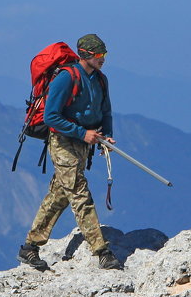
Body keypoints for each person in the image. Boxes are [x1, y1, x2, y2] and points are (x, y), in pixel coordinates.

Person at [18, 33, 123, 271]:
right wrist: (82, 133)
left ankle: (29, 248)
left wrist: (105, 136)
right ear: (86, 55)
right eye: (100, 55)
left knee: (60, 195)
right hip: (63, 141)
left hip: (84, 142)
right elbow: (51, 116)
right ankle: (101, 251)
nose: (103, 59)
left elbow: (105, 111)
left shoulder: (100, 80)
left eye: (104, 55)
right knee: (78, 192)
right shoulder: (66, 78)